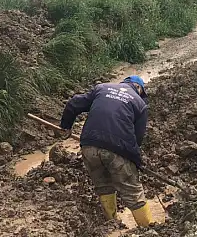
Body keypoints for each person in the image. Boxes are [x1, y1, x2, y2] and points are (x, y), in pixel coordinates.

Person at [59, 75, 152, 226]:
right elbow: (137, 139)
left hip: (89, 146)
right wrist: (135, 161)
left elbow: (74, 103)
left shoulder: (101, 88)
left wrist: (66, 126)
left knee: (103, 185)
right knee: (133, 192)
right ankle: (149, 228)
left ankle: (112, 224)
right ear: (139, 89)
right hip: (118, 149)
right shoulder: (140, 104)